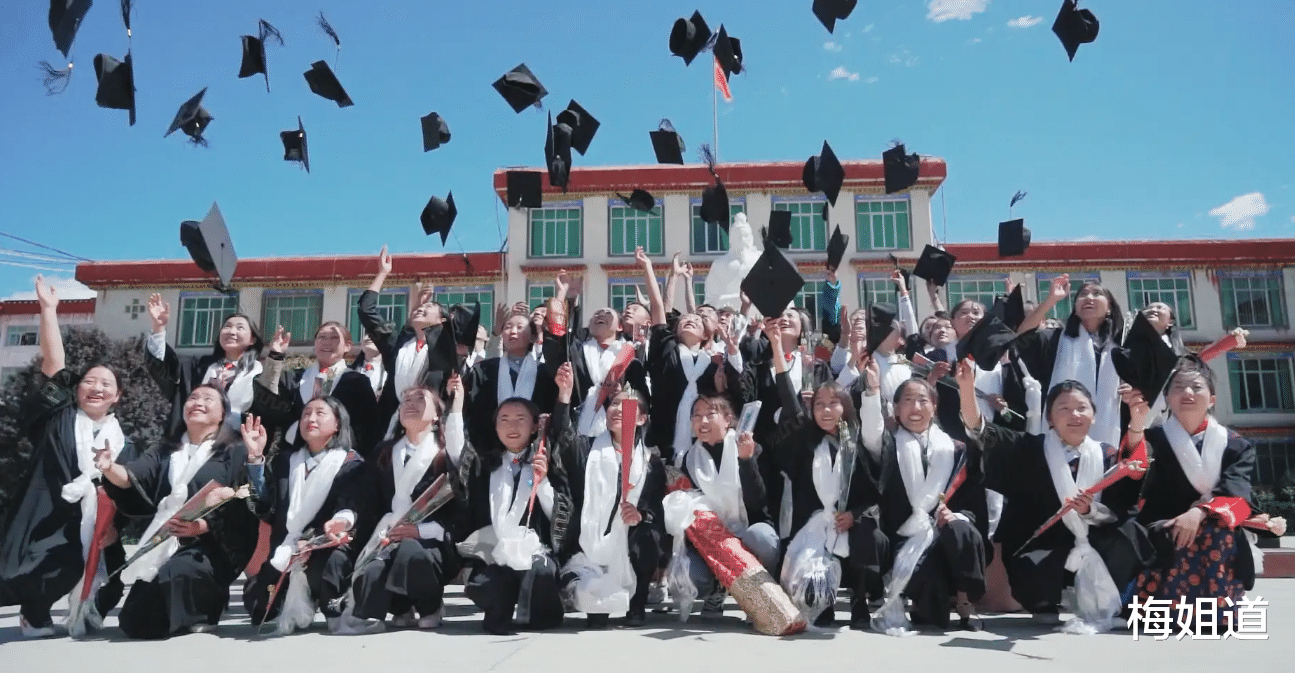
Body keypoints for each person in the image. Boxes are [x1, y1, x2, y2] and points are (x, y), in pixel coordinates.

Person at [960, 360, 1149, 632]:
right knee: (1030, 567)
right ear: (1049, 418)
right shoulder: (1029, 450)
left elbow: (1128, 492)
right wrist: (967, 390)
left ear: (1093, 415)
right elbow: (982, 432)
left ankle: (1111, 600)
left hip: (1094, 539)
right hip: (1046, 545)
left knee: (1131, 532)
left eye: (1082, 408)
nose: (1074, 415)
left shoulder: (1107, 456)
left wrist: (1090, 512)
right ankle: (1044, 602)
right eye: (1064, 409)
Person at [0, 276, 136, 638]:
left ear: (117, 397)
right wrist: (48, 311)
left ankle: (70, 611)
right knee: (29, 571)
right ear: (76, 390)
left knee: (108, 578)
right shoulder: (59, 414)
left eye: (106, 384)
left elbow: (129, 491)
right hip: (48, 513)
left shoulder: (124, 442)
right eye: (89, 381)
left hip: (96, 524)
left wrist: (114, 526)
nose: (97, 387)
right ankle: (35, 612)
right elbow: (53, 361)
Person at [96, 384, 258, 638]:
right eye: (193, 398)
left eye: (208, 399)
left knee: (175, 574)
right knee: (133, 622)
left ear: (223, 415)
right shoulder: (166, 450)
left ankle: (207, 609)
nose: (198, 402)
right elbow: (131, 477)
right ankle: (186, 613)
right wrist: (108, 467)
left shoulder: (235, 450)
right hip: (166, 536)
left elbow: (247, 499)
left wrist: (203, 526)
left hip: (212, 545)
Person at [767, 322, 888, 629]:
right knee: (815, 608)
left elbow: (875, 434)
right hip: (815, 526)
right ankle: (825, 599)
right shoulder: (806, 441)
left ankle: (860, 600)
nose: (825, 410)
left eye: (833, 403)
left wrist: (855, 514)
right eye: (819, 405)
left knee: (869, 534)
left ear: (845, 407)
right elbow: (788, 398)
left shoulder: (858, 441)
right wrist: (777, 346)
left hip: (853, 525)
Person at [1128, 358, 1258, 625]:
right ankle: (1164, 615)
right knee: (1167, 532)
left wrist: (1199, 513)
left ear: (1211, 399)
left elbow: (1240, 496)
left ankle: (1218, 616)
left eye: (1196, 387)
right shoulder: (1153, 438)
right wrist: (1135, 426)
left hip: (1215, 522)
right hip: (1163, 523)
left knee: (1215, 532)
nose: (1187, 393)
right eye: (1178, 387)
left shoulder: (1235, 445)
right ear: (1167, 397)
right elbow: (1133, 476)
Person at [863, 371, 986, 633]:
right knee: (933, 618)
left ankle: (965, 602)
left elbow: (972, 501)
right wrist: (872, 392)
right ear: (896, 409)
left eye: (923, 400)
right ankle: (929, 597)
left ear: (935, 407)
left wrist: (956, 516)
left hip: (946, 534)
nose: (915, 408)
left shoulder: (955, 449)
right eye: (907, 401)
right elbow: (871, 433)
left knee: (961, 527)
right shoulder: (888, 448)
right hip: (908, 540)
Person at [241, 399, 370, 634]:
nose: (311, 419)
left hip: (324, 547)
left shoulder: (351, 463)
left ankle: (332, 604)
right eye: (306, 414)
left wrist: (319, 536)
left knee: (331, 566)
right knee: (259, 605)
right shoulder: (285, 461)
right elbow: (264, 506)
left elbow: (350, 505)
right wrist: (255, 458)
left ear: (338, 424)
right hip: (287, 548)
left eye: (320, 413)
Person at [551, 363, 665, 628]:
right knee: (598, 613)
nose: (617, 410)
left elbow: (655, 508)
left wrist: (639, 515)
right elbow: (563, 436)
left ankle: (637, 602)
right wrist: (564, 395)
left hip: (628, 544)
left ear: (641, 418)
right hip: (589, 544)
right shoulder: (587, 449)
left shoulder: (650, 462)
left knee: (647, 534)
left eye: (627, 406)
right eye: (613, 404)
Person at [349, 381, 465, 629]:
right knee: (371, 569)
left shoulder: (445, 454)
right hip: (389, 534)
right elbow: (367, 500)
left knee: (411, 551)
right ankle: (400, 606)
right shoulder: (385, 452)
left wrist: (422, 531)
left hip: (433, 543)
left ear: (436, 416)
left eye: (420, 400)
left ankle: (430, 606)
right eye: (406, 402)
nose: (411, 405)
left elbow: (461, 506)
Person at [459, 398, 565, 635]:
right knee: (487, 583)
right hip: (497, 551)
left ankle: (541, 616)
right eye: (504, 420)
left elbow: (559, 517)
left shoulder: (550, 461)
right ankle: (500, 615)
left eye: (520, 420)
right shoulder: (485, 466)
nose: (512, 427)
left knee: (540, 571)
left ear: (536, 425)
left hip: (538, 549)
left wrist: (544, 481)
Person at [670, 393, 779, 613]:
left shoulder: (749, 447)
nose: (703, 421)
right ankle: (716, 588)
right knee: (689, 571)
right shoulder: (690, 460)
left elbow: (758, 500)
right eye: (697, 416)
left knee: (763, 539)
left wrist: (747, 461)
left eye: (710, 415)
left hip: (749, 527)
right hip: (715, 539)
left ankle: (762, 593)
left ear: (728, 419)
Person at [638, 247, 744, 464]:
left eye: (696, 321)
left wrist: (721, 387)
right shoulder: (667, 350)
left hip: (702, 448)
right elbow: (659, 309)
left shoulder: (713, 363)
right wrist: (649, 268)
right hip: (662, 444)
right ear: (675, 329)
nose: (690, 320)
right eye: (685, 320)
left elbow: (728, 399)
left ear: (706, 334)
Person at [1015, 278, 1128, 447]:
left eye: (1097, 294)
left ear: (1110, 307)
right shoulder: (1056, 340)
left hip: (1110, 430)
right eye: (1082, 294)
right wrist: (1051, 300)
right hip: (1059, 433)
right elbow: (1022, 337)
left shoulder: (1122, 346)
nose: (1089, 298)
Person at [254, 321, 380, 457]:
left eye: (334, 338)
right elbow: (266, 396)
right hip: (294, 457)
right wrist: (275, 356)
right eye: (322, 337)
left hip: (339, 459)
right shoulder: (295, 378)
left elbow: (369, 428)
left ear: (348, 346)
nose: (327, 342)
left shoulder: (356, 382)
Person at [144, 293, 264, 436]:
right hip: (191, 440)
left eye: (240, 328)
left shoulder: (259, 373)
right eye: (227, 327)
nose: (231, 332)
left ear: (252, 339)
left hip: (234, 445)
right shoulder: (197, 367)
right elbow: (163, 367)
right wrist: (158, 329)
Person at [359, 246, 446, 432]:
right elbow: (366, 310)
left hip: (430, 433)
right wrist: (383, 273)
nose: (421, 309)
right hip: (390, 429)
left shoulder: (446, 353)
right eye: (419, 308)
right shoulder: (397, 346)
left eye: (429, 308)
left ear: (442, 320)